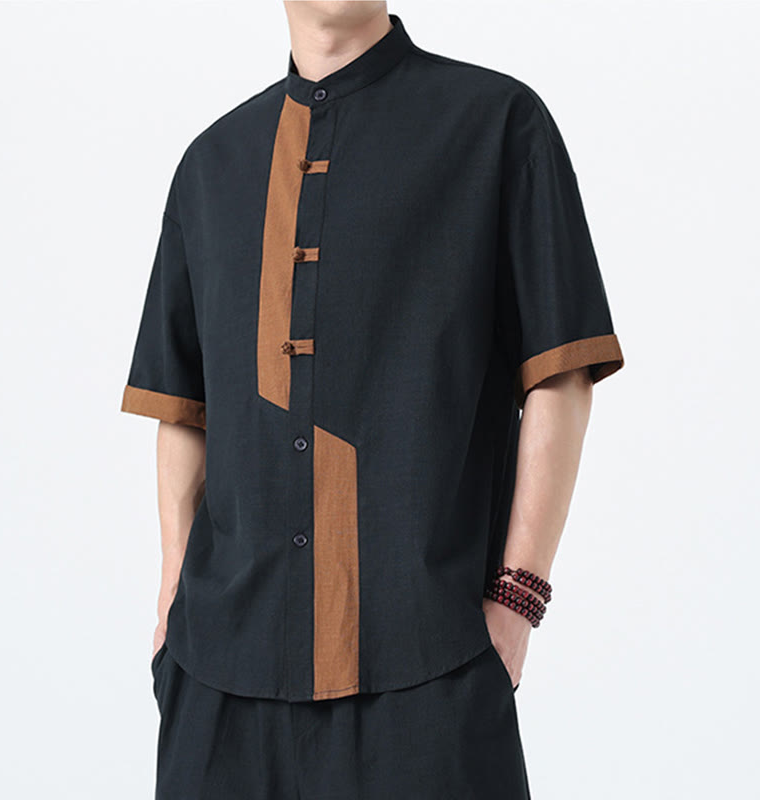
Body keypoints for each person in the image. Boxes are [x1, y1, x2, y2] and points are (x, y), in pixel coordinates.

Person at [120, 2, 625, 797]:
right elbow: (183, 407)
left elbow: (560, 372)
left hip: (428, 671)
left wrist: (517, 600)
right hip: (217, 685)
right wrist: (170, 609)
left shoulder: (497, 124)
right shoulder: (210, 165)